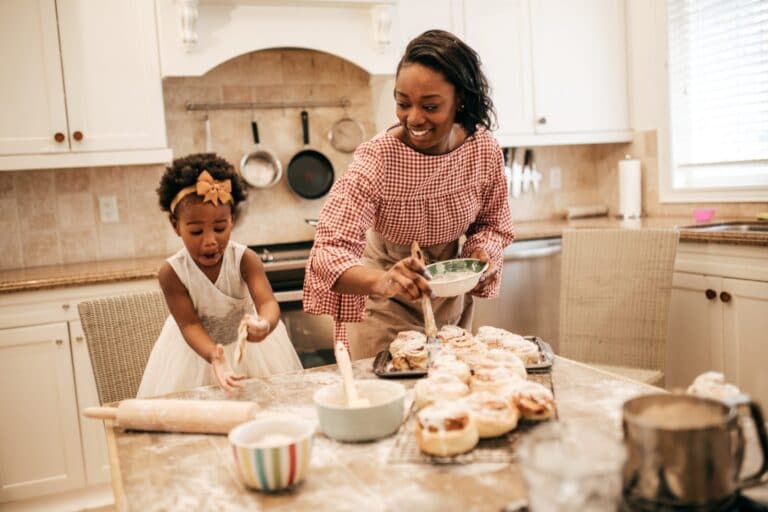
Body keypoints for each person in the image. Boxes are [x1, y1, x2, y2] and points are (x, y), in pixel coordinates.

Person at [304, 29, 515, 359]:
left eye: (430, 106)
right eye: (403, 103)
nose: (414, 118)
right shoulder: (378, 159)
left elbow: (492, 225)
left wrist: (482, 253)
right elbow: (328, 251)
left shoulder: (482, 150)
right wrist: (383, 281)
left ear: (460, 99)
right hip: (384, 306)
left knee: (448, 400)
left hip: (451, 304)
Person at [137, 153, 302, 398]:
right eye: (195, 231)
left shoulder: (245, 259)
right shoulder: (172, 273)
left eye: (219, 228)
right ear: (175, 226)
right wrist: (215, 355)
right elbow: (190, 324)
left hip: (254, 353)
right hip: (196, 354)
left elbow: (267, 302)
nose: (210, 241)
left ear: (232, 221)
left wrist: (265, 324)